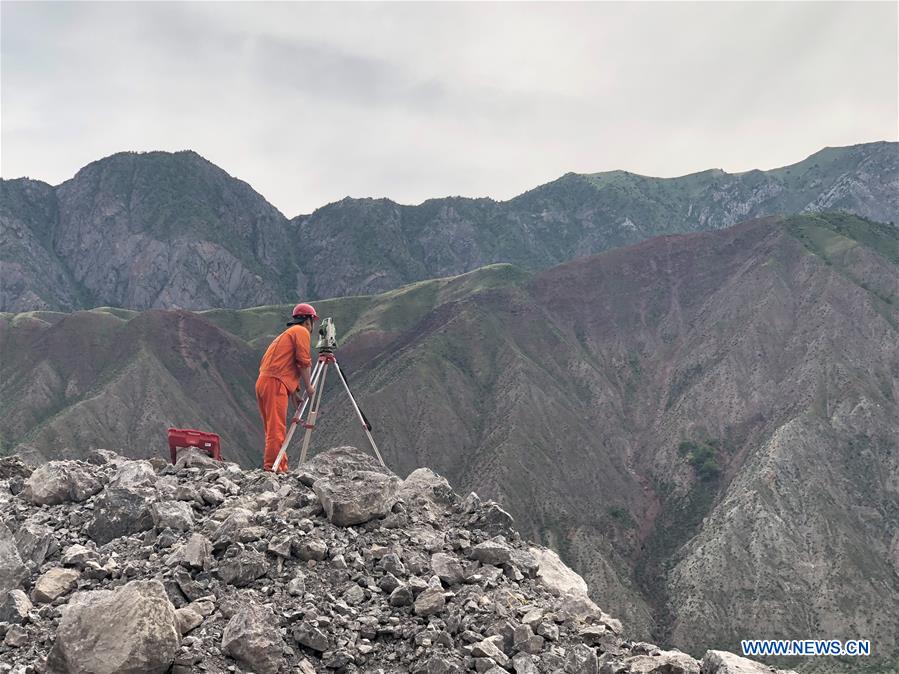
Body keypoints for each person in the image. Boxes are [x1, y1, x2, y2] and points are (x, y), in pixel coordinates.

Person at [256, 303, 318, 471]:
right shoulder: (301, 331)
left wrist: (294, 392)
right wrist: (309, 386)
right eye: (313, 322)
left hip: (265, 381)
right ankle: (272, 468)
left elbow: (284, 365)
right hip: (274, 383)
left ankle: (280, 466)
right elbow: (303, 361)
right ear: (308, 321)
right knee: (276, 430)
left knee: (272, 429)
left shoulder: (288, 333)